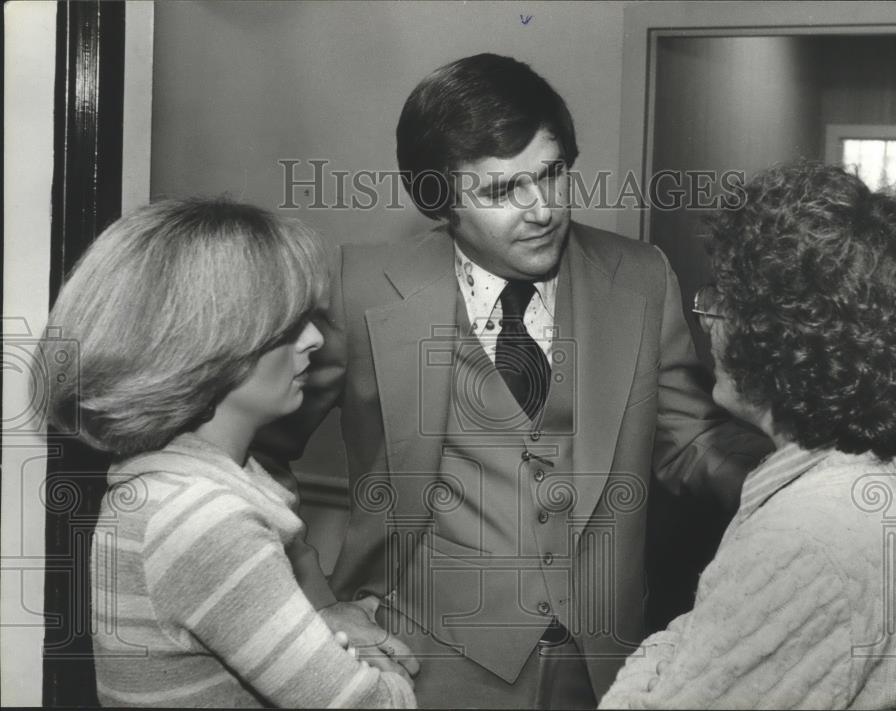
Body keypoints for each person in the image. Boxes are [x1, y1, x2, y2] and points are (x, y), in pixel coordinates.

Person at [257, 53, 772, 708]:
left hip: (604, 663)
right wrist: (318, 601)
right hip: (422, 662)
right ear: (440, 201)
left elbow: (692, 445)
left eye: (552, 174)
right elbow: (255, 448)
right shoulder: (360, 286)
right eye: (502, 192)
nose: (542, 209)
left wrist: (808, 474)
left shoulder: (641, 276)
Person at [600, 161, 896, 709]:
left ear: (776, 339)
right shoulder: (863, 478)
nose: (707, 319)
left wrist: (650, 662)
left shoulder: (803, 540)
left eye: (723, 299)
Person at [44, 199, 416, 708]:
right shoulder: (207, 520)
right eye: (286, 327)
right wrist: (377, 667)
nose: (312, 341)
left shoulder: (166, 483)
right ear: (208, 345)